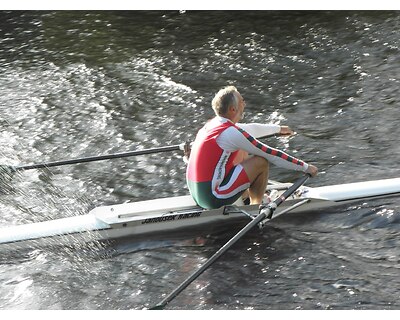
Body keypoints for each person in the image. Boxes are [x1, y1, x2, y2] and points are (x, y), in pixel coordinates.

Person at [186, 85, 318, 209]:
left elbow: (251, 129)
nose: (244, 104)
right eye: (242, 101)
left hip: (196, 193)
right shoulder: (230, 133)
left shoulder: (213, 124)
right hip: (213, 198)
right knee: (261, 161)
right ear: (233, 109)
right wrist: (306, 167)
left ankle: (245, 196)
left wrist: (279, 129)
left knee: (242, 148)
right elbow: (270, 153)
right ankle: (255, 206)